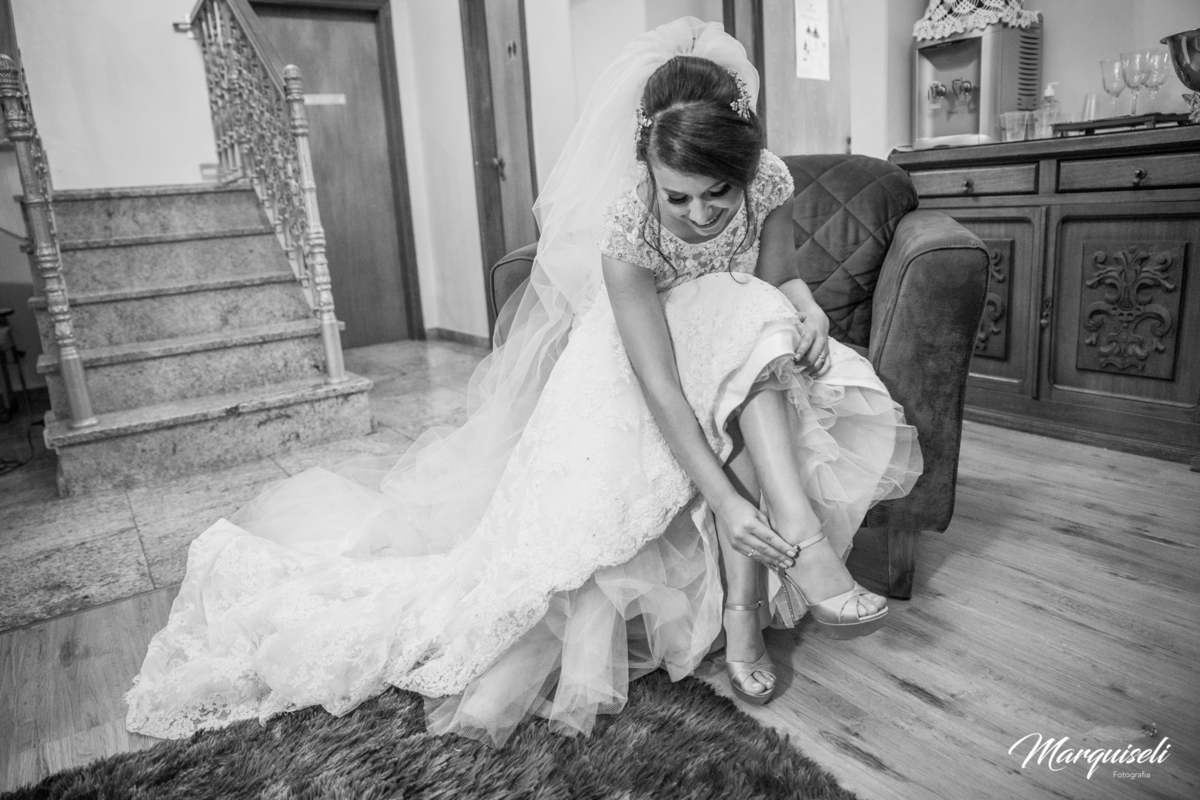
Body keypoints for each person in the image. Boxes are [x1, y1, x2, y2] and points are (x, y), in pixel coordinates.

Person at [125, 17, 920, 748]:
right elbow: (658, 385)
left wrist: (808, 313)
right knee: (739, 345)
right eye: (679, 196)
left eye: (721, 193)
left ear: (748, 169)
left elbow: (778, 279)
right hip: (641, 369)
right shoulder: (628, 227)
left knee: (749, 326)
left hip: (739, 344)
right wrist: (724, 497)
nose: (703, 215)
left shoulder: (771, 182)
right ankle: (794, 551)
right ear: (646, 166)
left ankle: (751, 607)